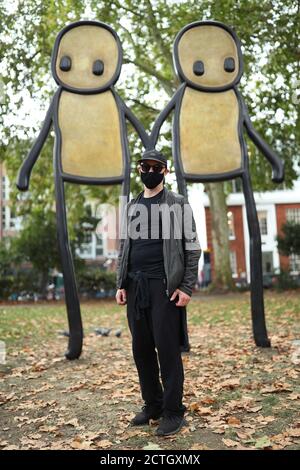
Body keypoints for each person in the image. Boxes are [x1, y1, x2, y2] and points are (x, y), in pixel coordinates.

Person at [115, 149, 201, 436]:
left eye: (156, 167)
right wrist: (121, 283)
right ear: (139, 169)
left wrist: (186, 286)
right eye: (145, 166)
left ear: (165, 171)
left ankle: (174, 411)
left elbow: (192, 247)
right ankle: (153, 404)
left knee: (167, 350)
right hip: (136, 287)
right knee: (141, 350)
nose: (149, 171)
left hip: (165, 288)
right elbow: (124, 248)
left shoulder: (176, 203)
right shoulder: (132, 206)